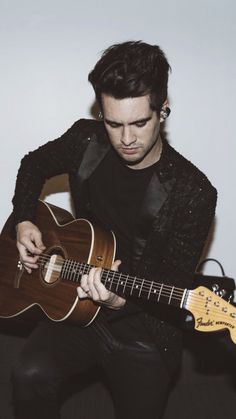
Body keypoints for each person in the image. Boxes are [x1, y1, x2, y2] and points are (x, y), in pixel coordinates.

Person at [11, 41, 217, 419]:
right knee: (27, 374)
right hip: (75, 301)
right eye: (113, 123)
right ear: (100, 114)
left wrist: (120, 300)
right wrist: (24, 218)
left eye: (140, 122)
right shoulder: (85, 140)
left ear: (163, 109)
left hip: (145, 327)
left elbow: (168, 278)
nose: (126, 139)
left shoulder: (194, 192)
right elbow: (32, 164)